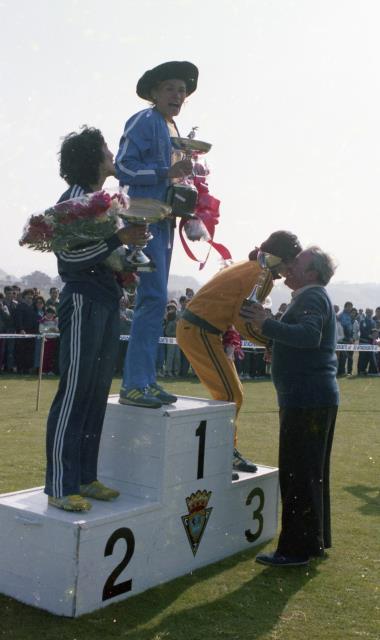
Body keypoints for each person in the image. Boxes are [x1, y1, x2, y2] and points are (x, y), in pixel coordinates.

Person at [44, 126, 148, 512]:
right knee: (74, 391)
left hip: (106, 300)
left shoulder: (104, 202)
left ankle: (84, 478)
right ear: (92, 157)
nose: (111, 154)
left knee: (94, 393)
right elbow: (68, 260)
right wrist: (118, 242)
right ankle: (59, 484)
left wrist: (129, 261)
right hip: (84, 300)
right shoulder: (73, 199)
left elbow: (103, 255)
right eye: (106, 148)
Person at [240, 246, 339, 566]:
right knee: (310, 474)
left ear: (313, 273)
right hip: (312, 397)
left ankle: (296, 550)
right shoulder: (312, 296)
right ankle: (313, 542)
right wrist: (274, 341)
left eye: (298, 263)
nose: (290, 266)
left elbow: (309, 336)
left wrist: (267, 324)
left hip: (306, 399)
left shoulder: (311, 297)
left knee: (299, 474)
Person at [176, 230, 302, 475]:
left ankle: (221, 451)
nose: (290, 268)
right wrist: (270, 342)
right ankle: (221, 453)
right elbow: (245, 323)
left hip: (200, 329)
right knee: (230, 393)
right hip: (201, 330)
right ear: (282, 258)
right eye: (290, 261)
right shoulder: (262, 275)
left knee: (233, 393)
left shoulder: (251, 266)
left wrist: (267, 340)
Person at [115, 60, 197, 408]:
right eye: (170, 88)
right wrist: (166, 172)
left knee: (156, 302)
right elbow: (122, 166)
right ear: (154, 93)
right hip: (144, 221)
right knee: (151, 301)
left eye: (182, 90)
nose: (177, 95)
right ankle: (134, 383)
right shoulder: (144, 119)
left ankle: (145, 380)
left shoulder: (168, 126)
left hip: (164, 222)